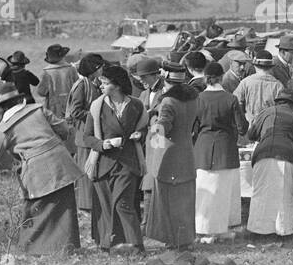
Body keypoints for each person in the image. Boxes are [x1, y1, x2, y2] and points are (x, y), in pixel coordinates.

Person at [0, 82, 84, 255]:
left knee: (33, 211)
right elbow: (63, 129)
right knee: (64, 207)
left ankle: (32, 249)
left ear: (0, 107)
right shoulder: (38, 110)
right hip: (61, 163)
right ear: (20, 99)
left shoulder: (4, 129)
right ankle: (66, 247)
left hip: (37, 171)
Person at [84, 64, 148, 252]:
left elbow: (143, 128)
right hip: (103, 162)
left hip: (128, 162)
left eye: (105, 83)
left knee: (123, 203)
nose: (101, 86)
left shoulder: (136, 105)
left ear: (118, 85)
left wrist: (140, 134)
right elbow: (87, 136)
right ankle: (110, 243)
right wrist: (102, 144)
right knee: (105, 205)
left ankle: (136, 245)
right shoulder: (97, 107)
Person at [247, 89, 293, 241]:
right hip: (286, 156)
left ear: (278, 101)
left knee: (260, 193)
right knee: (284, 194)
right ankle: (284, 230)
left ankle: (258, 231)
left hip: (263, 154)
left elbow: (251, 135)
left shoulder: (265, 112)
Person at [144, 61, 200, 248]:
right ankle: (185, 239)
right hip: (187, 154)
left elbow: (163, 129)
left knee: (168, 201)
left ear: (166, 79)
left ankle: (173, 240)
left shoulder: (168, 101)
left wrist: (152, 121)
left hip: (169, 157)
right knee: (185, 201)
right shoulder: (193, 98)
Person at [192, 60, 249, 239]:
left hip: (202, 147)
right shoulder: (230, 99)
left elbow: (192, 128)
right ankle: (222, 228)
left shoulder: (198, 99)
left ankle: (204, 229)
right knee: (223, 192)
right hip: (226, 148)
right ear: (222, 77)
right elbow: (242, 128)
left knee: (204, 191)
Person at [67, 53, 107, 225]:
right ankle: (85, 207)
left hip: (93, 134)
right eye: (101, 67)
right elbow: (74, 112)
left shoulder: (93, 83)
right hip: (84, 134)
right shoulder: (81, 86)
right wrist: (95, 115)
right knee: (85, 171)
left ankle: (91, 204)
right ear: (95, 69)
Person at [234, 49, 287, 131]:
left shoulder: (245, 82)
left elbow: (236, 103)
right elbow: (282, 110)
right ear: (271, 67)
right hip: (270, 128)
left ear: (255, 66)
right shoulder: (278, 86)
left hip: (251, 127)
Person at [35, 43, 77, 124]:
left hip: (53, 109)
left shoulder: (47, 73)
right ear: (63, 56)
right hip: (71, 106)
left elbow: (41, 92)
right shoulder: (71, 69)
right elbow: (78, 87)